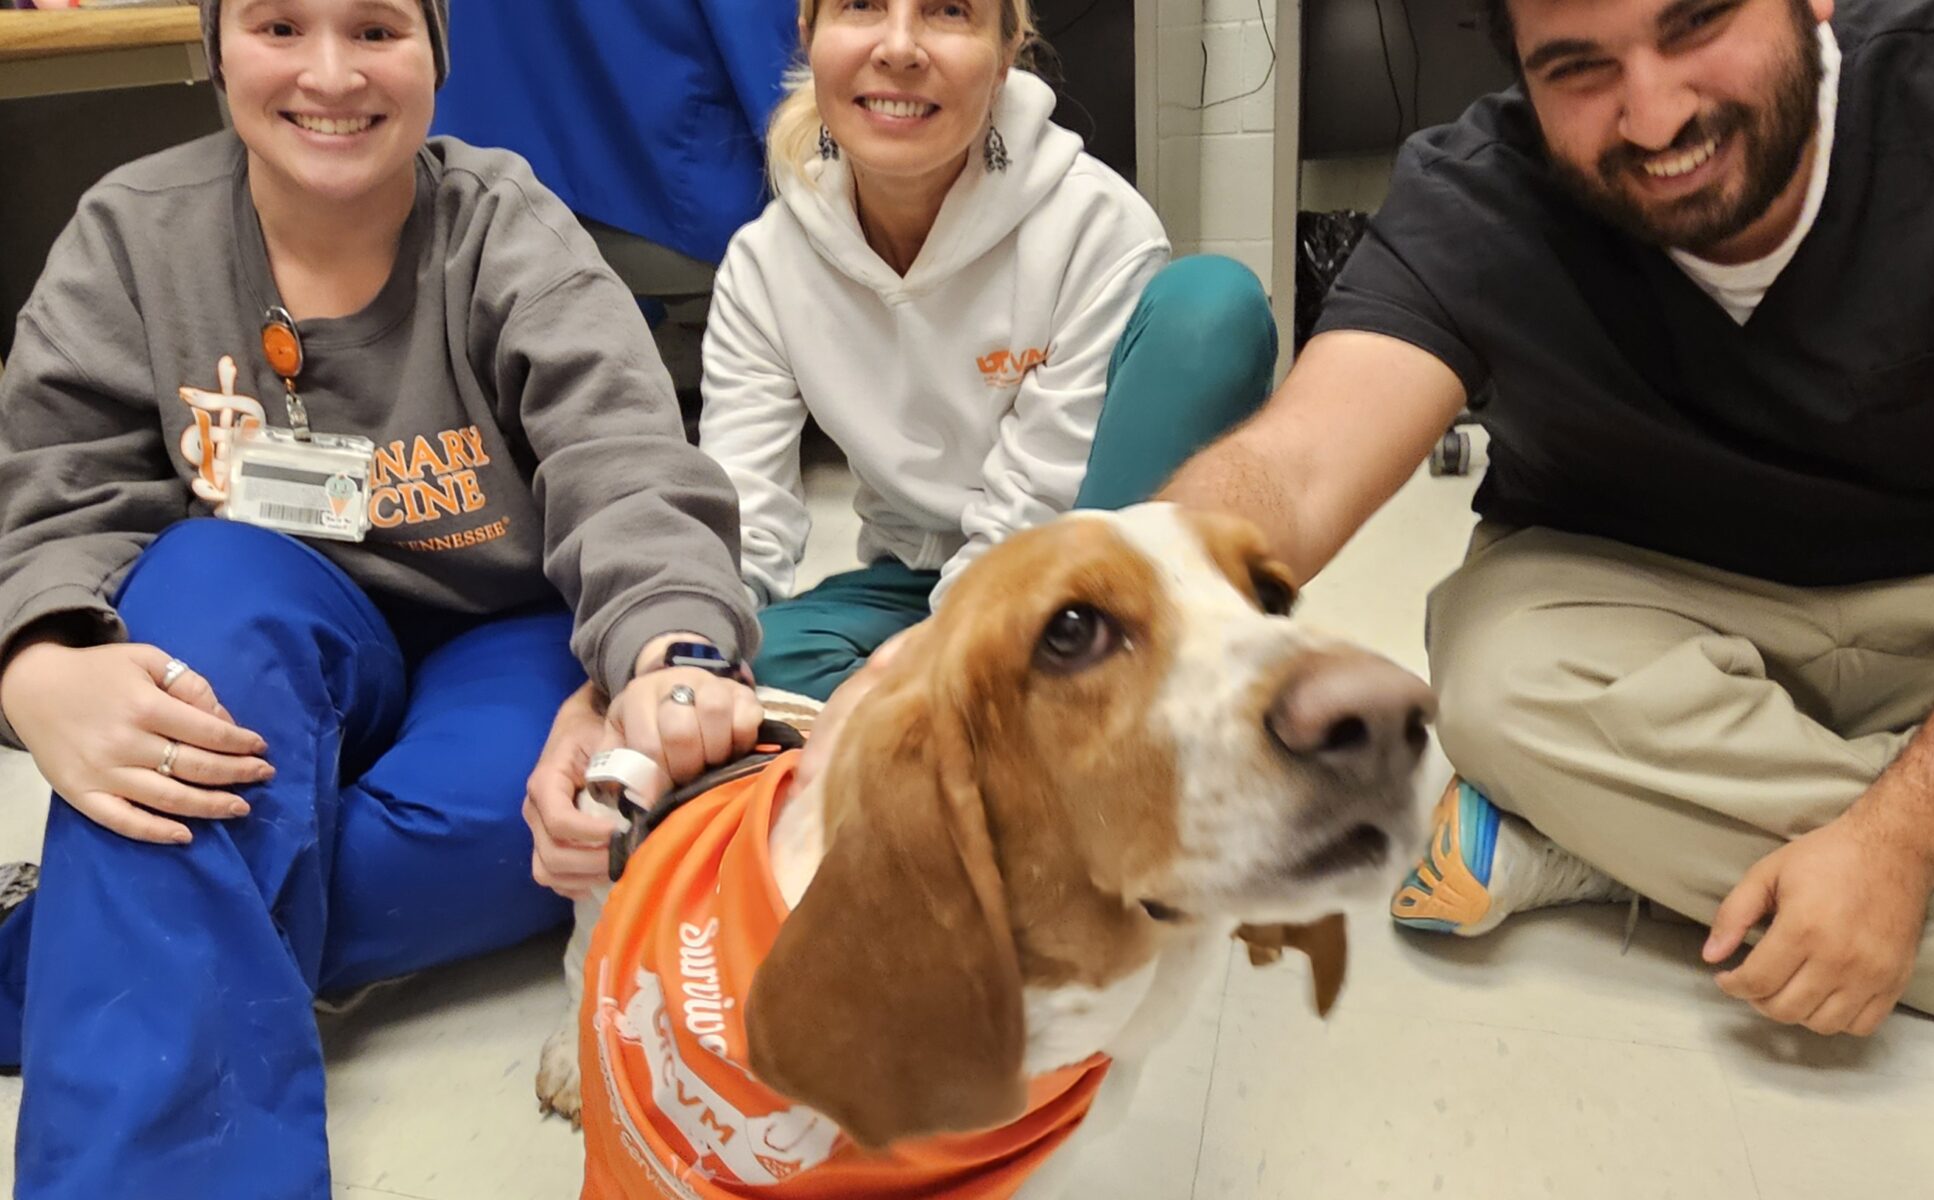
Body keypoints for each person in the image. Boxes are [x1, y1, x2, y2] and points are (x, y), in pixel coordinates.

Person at [0, 1, 763, 1196]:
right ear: (214, 45)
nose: (330, 73)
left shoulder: (506, 227)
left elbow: (622, 463)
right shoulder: (132, 233)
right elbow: (57, 487)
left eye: (375, 29)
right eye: (279, 25)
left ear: (436, 52)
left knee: (537, 827)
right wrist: (39, 658)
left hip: (492, 636)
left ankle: (68, 949)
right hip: (251, 625)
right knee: (202, 585)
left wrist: (668, 653)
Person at [1155, 0, 1934, 1040]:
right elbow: (1291, 470)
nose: (1654, 116)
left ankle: (1616, 838)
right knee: (1506, 683)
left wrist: (1904, 839)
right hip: (1636, 615)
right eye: (1577, 69)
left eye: (1695, 25)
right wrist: (1081, 619)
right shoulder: (1477, 200)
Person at [701, 0, 1279, 699]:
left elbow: (1043, 506)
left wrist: (945, 662)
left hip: (1077, 571)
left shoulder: (1092, 227)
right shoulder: (763, 265)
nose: (899, 47)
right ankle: (1046, 714)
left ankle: (1061, 692)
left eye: (948, 10)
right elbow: (740, 516)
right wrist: (687, 657)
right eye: (862, 5)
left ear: (1006, 53)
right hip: (907, 583)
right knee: (752, 660)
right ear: (809, 35)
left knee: (1213, 306)